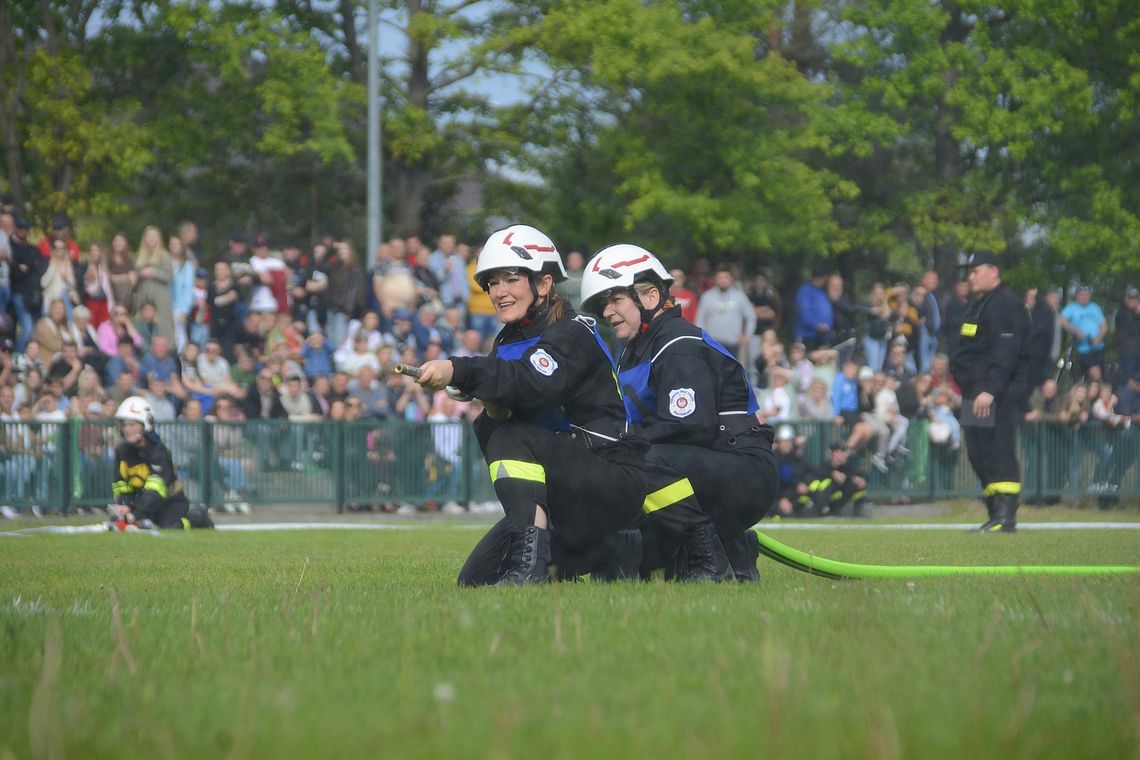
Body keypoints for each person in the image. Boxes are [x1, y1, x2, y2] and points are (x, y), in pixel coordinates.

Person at [413, 224, 649, 585]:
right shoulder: (508, 341)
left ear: (543, 284)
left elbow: (532, 383)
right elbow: (505, 407)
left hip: (611, 479)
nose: (499, 292)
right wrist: (488, 399)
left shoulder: (573, 331)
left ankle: (536, 569)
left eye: (510, 279)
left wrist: (459, 369)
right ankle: (596, 554)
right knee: (475, 580)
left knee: (511, 439)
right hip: (563, 492)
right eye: (492, 283)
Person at [580, 244, 777, 581]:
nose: (607, 312)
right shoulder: (632, 352)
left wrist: (617, 443)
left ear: (651, 296)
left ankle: (714, 556)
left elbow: (690, 426)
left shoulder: (679, 345)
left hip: (741, 470)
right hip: (695, 469)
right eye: (602, 305)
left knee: (632, 460)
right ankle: (727, 546)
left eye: (614, 299)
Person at [949, 250, 1031, 533]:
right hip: (975, 393)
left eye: (975, 270)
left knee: (998, 450)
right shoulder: (982, 304)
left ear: (994, 271)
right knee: (978, 452)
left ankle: (1006, 517)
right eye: (968, 272)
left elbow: (1005, 353)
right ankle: (994, 513)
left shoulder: (1006, 304)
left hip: (997, 395)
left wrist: (990, 390)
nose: (970, 276)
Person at [108, 396, 213, 530]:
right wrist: (124, 507)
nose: (127, 429)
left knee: (169, 527)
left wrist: (135, 515)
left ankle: (198, 518)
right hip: (139, 503)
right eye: (124, 425)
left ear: (145, 424)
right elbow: (120, 484)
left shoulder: (158, 452)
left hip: (169, 503)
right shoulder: (122, 450)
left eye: (132, 424)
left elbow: (155, 491)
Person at [1059, 285, 1107, 379]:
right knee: (1095, 373)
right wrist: (1075, 330)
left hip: (1098, 346)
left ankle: (1098, 392)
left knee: (1101, 374)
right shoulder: (1071, 308)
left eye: (1086, 295)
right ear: (1077, 296)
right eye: (1081, 294)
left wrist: (1099, 337)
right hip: (1084, 348)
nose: (1084, 297)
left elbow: (1104, 325)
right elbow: (1062, 321)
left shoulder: (1094, 307)